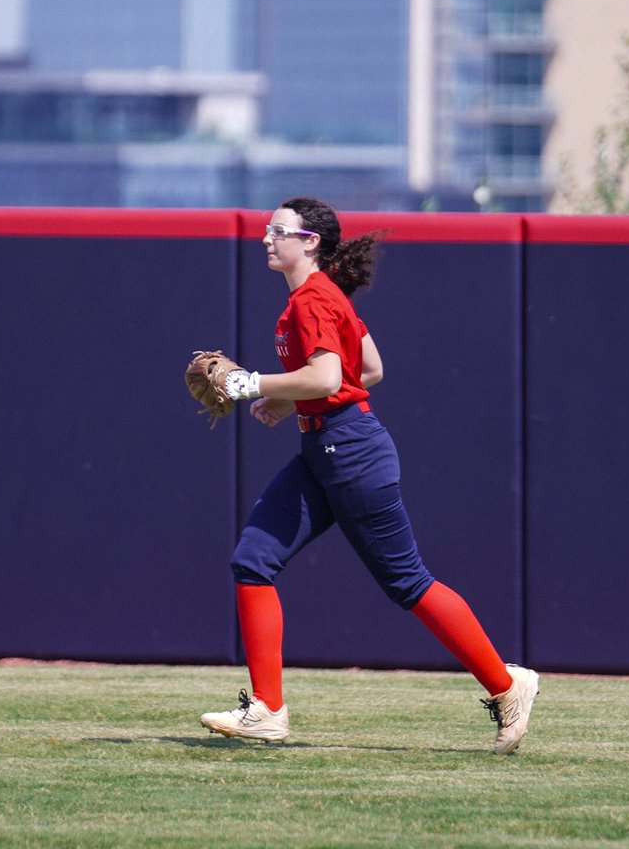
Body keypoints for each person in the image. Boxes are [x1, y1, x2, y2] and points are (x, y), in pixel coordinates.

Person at [199, 196, 539, 754]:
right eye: (266, 228)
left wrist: (253, 385)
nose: (266, 237)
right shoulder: (321, 297)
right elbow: (370, 368)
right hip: (323, 449)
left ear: (309, 242)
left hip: (351, 451)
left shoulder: (312, 299)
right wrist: (291, 403)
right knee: (253, 561)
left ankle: (508, 686)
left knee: (408, 582)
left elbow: (331, 374)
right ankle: (268, 711)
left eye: (278, 230)